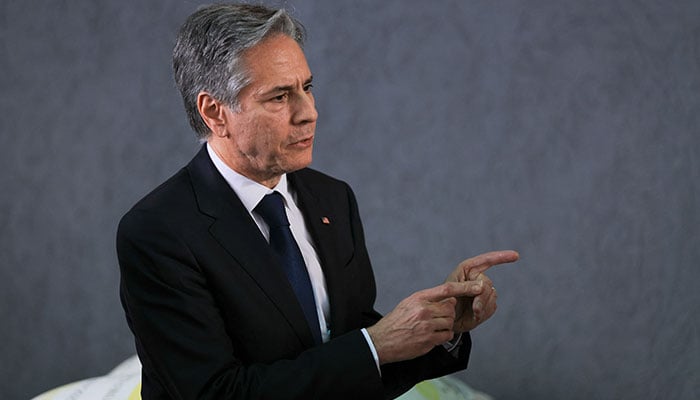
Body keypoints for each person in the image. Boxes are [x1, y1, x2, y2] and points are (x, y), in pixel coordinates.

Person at [117, 3, 519, 400]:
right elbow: (216, 393)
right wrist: (374, 345)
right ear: (214, 112)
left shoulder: (333, 198)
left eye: (306, 88)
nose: (308, 113)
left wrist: (443, 326)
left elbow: (356, 363)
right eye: (278, 97)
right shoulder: (157, 232)